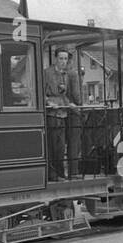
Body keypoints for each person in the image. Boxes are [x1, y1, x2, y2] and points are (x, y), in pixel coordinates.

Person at [43, 48, 82, 179]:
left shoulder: (65, 74)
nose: (63, 61)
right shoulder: (47, 73)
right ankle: (53, 174)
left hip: (63, 112)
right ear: (56, 59)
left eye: (65, 59)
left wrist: (70, 104)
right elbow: (39, 92)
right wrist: (48, 103)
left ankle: (59, 173)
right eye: (61, 58)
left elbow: (63, 95)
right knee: (53, 146)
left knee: (60, 147)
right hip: (52, 114)